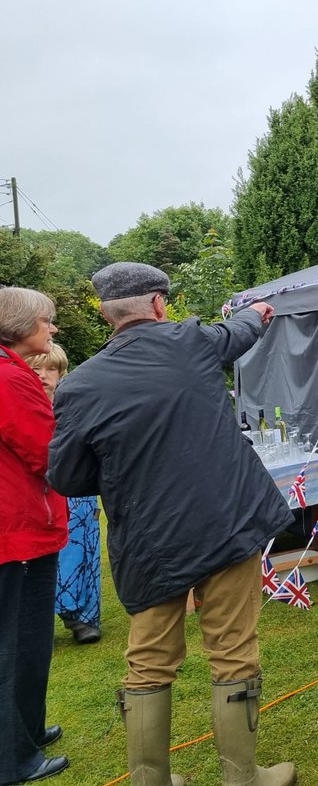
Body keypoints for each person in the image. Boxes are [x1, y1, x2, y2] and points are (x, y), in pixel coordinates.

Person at [48, 262, 295, 786]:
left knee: (148, 659)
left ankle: (150, 781)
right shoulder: (193, 341)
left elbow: (66, 475)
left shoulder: (79, 385)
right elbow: (241, 329)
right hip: (226, 523)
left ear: (105, 314)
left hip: (148, 539)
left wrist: (125, 476)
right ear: (160, 304)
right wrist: (258, 311)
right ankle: (244, 777)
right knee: (232, 650)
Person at [0, 287, 70, 785]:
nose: (53, 328)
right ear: (21, 324)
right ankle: (12, 759)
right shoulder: (8, 378)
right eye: (47, 320)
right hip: (15, 532)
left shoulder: (11, 370)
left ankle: (27, 730)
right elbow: (47, 453)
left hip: (23, 528)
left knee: (30, 642)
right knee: (14, 645)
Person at [27, 344, 103, 646]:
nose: (43, 376)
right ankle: (40, 618)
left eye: (51, 369)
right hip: (37, 491)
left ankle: (83, 617)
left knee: (82, 549)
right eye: (36, 368)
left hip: (77, 489)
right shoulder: (18, 403)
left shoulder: (72, 404)